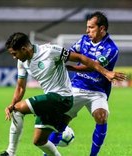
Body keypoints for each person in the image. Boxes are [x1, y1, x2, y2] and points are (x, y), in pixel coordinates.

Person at [0, 32, 126, 156]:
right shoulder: (22, 62)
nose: (14, 57)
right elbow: (20, 87)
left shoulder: (50, 51)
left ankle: (10, 152)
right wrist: (11, 104)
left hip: (62, 97)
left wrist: (105, 72)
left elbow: (80, 57)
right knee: (39, 141)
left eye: (14, 53)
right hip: (51, 102)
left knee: (19, 109)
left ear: (24, 49)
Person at [47, 11, 119, 156]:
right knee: (60, 123)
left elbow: (93, 65)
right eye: (87, 27)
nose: (87, 31)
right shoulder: (83, 40)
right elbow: (71, 54)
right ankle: (47, 154)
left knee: (101, 116)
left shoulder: (111, 49)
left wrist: (71, 67)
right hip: (77, 87)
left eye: (91, 27)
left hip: (98, 91)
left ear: (102, 29)